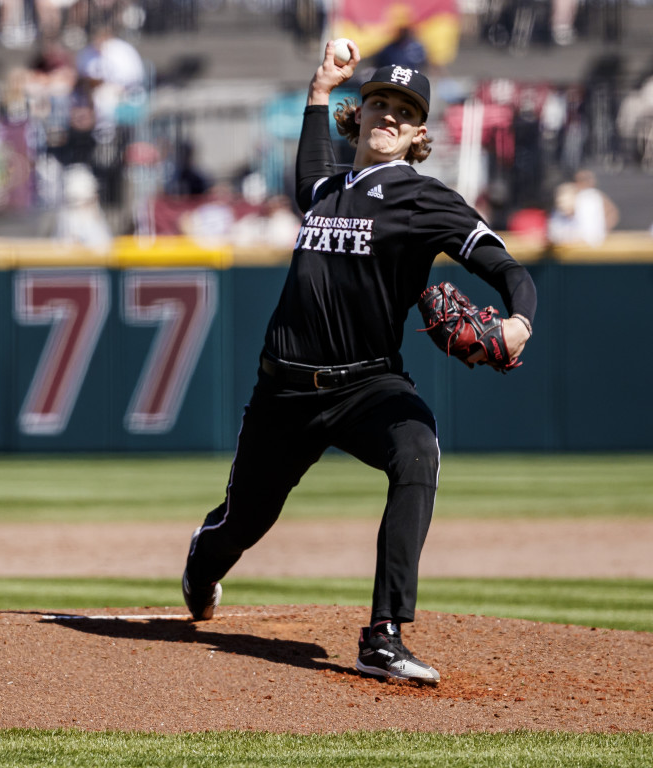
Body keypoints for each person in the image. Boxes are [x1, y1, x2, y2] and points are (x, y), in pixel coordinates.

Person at [180, 45, 537, 685]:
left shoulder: (426, 200)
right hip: (285, 392)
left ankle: (384, 634)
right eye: (380, 102)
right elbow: (310, 165)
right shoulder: (323, 190)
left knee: (418, 451)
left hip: (367, 384)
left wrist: (519, 318)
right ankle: (201, 566)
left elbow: (507, 267)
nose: (389, 115)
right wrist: (319, 90)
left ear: (420, 132)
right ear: (361, 112)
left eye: (405, 110)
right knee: (243, 522)